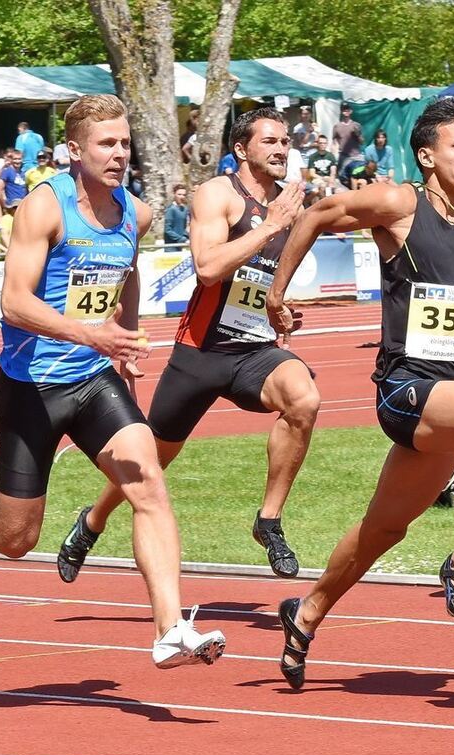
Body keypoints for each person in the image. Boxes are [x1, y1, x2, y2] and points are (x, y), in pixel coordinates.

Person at [0, 94, 225, 670]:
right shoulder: (43, 209)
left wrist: (123, 339)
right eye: (107, 143)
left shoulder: (137, 213)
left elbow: (126, 274)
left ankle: (170, 628)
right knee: (15, 538)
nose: (120, 153)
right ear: (74, 150)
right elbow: (14, 302)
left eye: (125, 142)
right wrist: (92, 334)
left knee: (148, 483)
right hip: (31, 389)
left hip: (94, 380)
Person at [265, 98, 454, 688]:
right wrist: (277, 292)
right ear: (427, 156)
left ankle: (306, 613)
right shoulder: (399, 204)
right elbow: (317, 213)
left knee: (384, 530)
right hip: (405, 389)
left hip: (451, 399)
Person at [55, 107, 317, 585]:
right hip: (201, 352)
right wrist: (269, 226)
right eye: (271, 141)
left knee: (305, 398)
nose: (282, 150)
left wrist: (280, 305)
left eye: (285, 142)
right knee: (150, 460)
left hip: (254, 351)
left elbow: (264, 280)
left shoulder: (289, 206)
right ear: (241, 149)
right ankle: (90, 522)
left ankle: (270, 521)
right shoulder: (217, 194)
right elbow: (208, 268)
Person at [332, 102, 364, 185]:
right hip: (343, 156)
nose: (346, 111)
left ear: (351, 111)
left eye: (347, 110)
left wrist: (358, 134)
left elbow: (362, 142)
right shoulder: (337, 126)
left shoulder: (356, 125)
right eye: (344, 110)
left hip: (356, 156)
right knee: (343, 179)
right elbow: (334, 142)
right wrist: (334, 154)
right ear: (341, 111)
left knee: (360, 178)